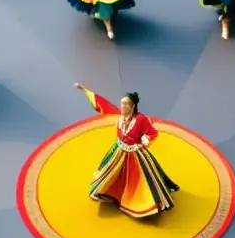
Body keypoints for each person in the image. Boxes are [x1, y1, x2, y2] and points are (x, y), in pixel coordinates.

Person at [74, 84, 178, 217]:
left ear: (132, 106)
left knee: (136, 180)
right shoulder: (120, 115)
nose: (122, 107)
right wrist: (84, 89)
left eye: (126, 104)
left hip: (134, 155)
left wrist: (142, 144)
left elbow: (152, 133)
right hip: (118, 150)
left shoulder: (141, 119)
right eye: (121, 104)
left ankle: (140, 202)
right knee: (111, 172)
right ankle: (110, 192)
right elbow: (101, 104)